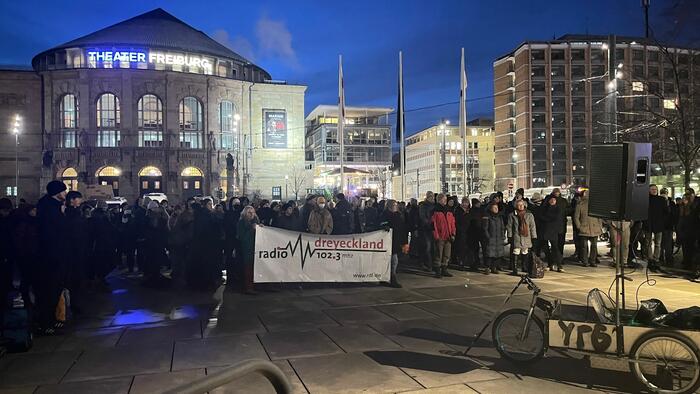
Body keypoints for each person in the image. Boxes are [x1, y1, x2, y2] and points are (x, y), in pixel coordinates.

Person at [35, 181, 68, 335]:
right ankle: (46, 322)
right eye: (63, 191)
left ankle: (50, 320)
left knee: (52, 290)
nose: (65, 194)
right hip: (51, 256)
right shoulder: (51, 208)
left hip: (52, 255)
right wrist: (62, 214)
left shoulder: (46, 205)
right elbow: (56, 231)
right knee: (49, 290)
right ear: (57, 193)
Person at [573, 189, 603, 267]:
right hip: (585, 228)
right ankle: (585, 261)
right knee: (584, 246)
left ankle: (592, 261)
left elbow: (599, 217)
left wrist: (599, 226)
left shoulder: (596, 205)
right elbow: (576, 217)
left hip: (594, 228)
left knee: (593, 246)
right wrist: (579, 227)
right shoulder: (580, 205)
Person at [507, 199, 537, 275]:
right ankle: (515, 268)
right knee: (516, 252)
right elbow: (509, 226)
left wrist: (534, 236)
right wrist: (509, 236)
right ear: (516, 206)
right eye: (519, 205)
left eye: (522, 205)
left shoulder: (529, 215)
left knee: (525, 252)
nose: (520, 206)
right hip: (516, 236)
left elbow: (532, 226)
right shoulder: (512, 215)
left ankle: (524, 267)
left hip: (526, 237)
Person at [431, 193, 456, 278]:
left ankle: (444, 269)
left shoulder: (449, 211)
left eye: (446, 199)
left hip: (448, 236)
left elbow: (452, 223)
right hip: (440, 236)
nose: (445, 201)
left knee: (447, 254)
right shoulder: (435, 210)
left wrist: (453, 233)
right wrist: (436, 235)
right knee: (438, 254)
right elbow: (433, 225)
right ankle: (437, 270)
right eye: (443, 199)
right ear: (439, 200)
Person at [383, 200, 407, 288]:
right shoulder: (385, 214)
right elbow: (381, 223)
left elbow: (402, 228)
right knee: (393, 260)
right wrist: (385, 226)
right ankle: (392, 278)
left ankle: (388, 277)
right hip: (388, 240)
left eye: (396, 205)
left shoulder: (398, 215)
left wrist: (404, 241)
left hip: (395, 240)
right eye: (394, 205)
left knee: (393, 260)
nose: (395, 206)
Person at [643, 185, 668, 269]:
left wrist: (662, 221)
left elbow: (666, 212)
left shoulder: (661, 199)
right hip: (648, 224)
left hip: (659, 224)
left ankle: (656, 259)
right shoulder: (645, 199)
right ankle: (650, 258)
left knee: (658, 243)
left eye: (655, 189)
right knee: (648, 243)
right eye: (652, 189)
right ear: (649, 190)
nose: (654, 190)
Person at [237, 206, 259, 294]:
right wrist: (251, 229)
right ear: (245, 213)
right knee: (248, 267)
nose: (252, 214)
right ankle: (248, 287)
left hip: (255, 247)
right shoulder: (241, 223)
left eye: (253, 212)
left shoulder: (255, 221)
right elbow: (242, 237)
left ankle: (254, 285)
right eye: (249, 213)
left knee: (254, 267)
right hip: (246, 248)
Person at [539, 195, 564, 272]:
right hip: (545, 231)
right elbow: (541, 216)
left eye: (554, 200)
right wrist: (547, 218)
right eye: (551, 200)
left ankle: (559, 265)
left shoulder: (558, 208)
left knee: (555, 248)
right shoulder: (544, 208)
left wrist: (547, 218)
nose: (553, 201)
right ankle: (550, 264)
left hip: (553, 231)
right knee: (546, 249)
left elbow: (556, 218)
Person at [677, 192, 699, 277]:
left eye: (685, 199)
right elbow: (680, 221)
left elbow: (693, 221)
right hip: (685, 232)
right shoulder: (682, 207)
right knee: (686, 250)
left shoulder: (692, 209)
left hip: (691, 232)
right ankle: (687, 264)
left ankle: (690, 265)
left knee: (691, 250)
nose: (683, 200)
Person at [482, 203, 506, 274]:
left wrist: (503, 236)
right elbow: (485, 228)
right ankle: (487, 267)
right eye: (494, 207)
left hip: (498, 238)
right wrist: (488, 237)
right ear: (490, 208)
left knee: (497, 255)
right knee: (489, 254)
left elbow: (502, 227)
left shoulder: (499, 217)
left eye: (497, 207)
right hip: (491, 238)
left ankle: (494, 267)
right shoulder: (487, 217)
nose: (496, 209)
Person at [453, 197, 473, 270]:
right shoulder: (458, 210)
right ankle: (461, 262)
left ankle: (468, 262)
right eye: (464, 202)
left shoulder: (470, 211)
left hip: (469, 232)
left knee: (468, 247)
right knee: (461, 247)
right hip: (461, 231)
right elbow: (457, 221)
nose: (465, 204)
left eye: (467, 203)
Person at [418, 191, 436, 271]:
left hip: (433, 229)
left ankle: (431, 263)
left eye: (432, 196)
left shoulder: (434, 206)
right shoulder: (423, 206)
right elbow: (423, 217)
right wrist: (429, 223)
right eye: (430, 196)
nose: (432, 198)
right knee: (427, 247)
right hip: (426, 229)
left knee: (433, 247)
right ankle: (427, 264)